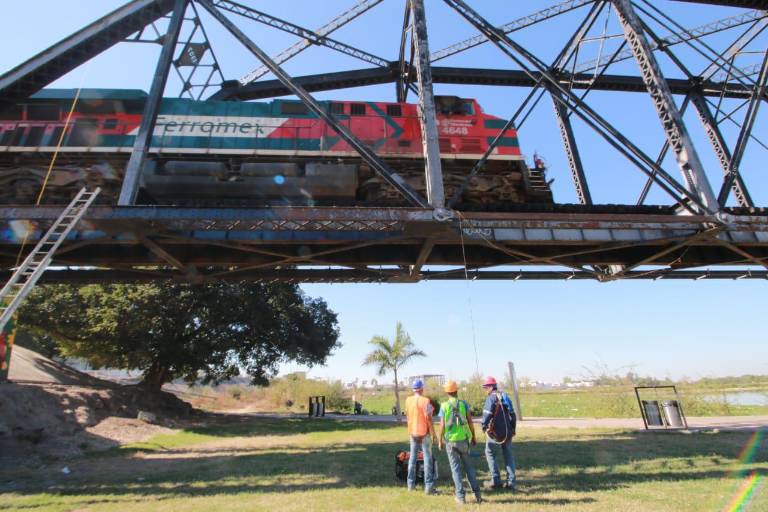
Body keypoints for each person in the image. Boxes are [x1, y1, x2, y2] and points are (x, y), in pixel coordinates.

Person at [437, 380, 482, 505]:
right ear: (456, 391)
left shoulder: (444, 406)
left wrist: (440, 440)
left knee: (456, 470)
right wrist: (473, 436)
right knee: (469, 468)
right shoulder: (463, 404)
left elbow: (442, 425)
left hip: (450, 441)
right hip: (464, 440)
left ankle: (461, 497)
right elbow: (470, 422)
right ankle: (477, 495)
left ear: (447, 392)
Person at [481, 376, 517, 491]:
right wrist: (513, 429)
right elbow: (513, 414)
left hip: (495, 434)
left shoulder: (491, 398)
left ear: (491, 387)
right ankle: (511, 483)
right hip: (507, 433)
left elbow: (486, 416)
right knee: (508, 457)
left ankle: (495, 480)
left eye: (486, 387)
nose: (485, 390)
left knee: (490, 454)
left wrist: (483, 426)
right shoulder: (505, 396)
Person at [404, 378, 436, 494]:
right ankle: (428, 487)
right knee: (427, 459)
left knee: (412, 459)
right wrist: (434, 434)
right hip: (424, 434)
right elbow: (429, 418)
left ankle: (410, 485)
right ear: (422, 388)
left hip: (413, 433)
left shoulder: (408, 400)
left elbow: (407, 415)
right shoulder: (426, 401)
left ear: (413, 389)